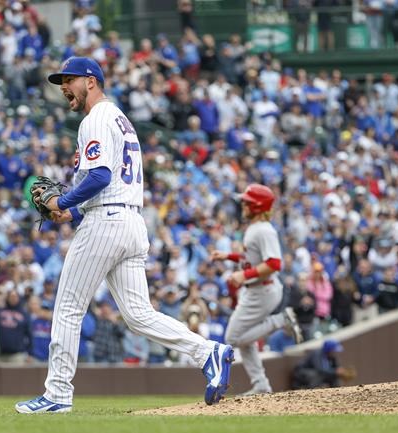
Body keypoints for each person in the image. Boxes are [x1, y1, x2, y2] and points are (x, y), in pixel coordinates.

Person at [16, 57, 234, 414]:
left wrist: (63, 199)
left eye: (69, 80)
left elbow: (100, 177)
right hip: (130, 222)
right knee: (138, 314)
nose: (63, 88)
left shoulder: (97, 119)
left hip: (107, 222)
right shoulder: (119, 118)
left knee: (69, 308)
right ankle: (207, 351)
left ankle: (57, 395)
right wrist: (70, 210)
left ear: (91, 81)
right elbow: (108, 181)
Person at [210, 184, 303, 396]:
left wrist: (243, 275)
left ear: (257, 206)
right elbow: (252, 258)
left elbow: (274, 264)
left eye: (247, 202)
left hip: (263, 290)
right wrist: (228, 257)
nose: (243, 204)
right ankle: (261, 384)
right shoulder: (255, 227)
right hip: (256, 290)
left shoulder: (264, 230)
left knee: (233, 338)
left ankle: (280, 321)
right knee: (243, 338)